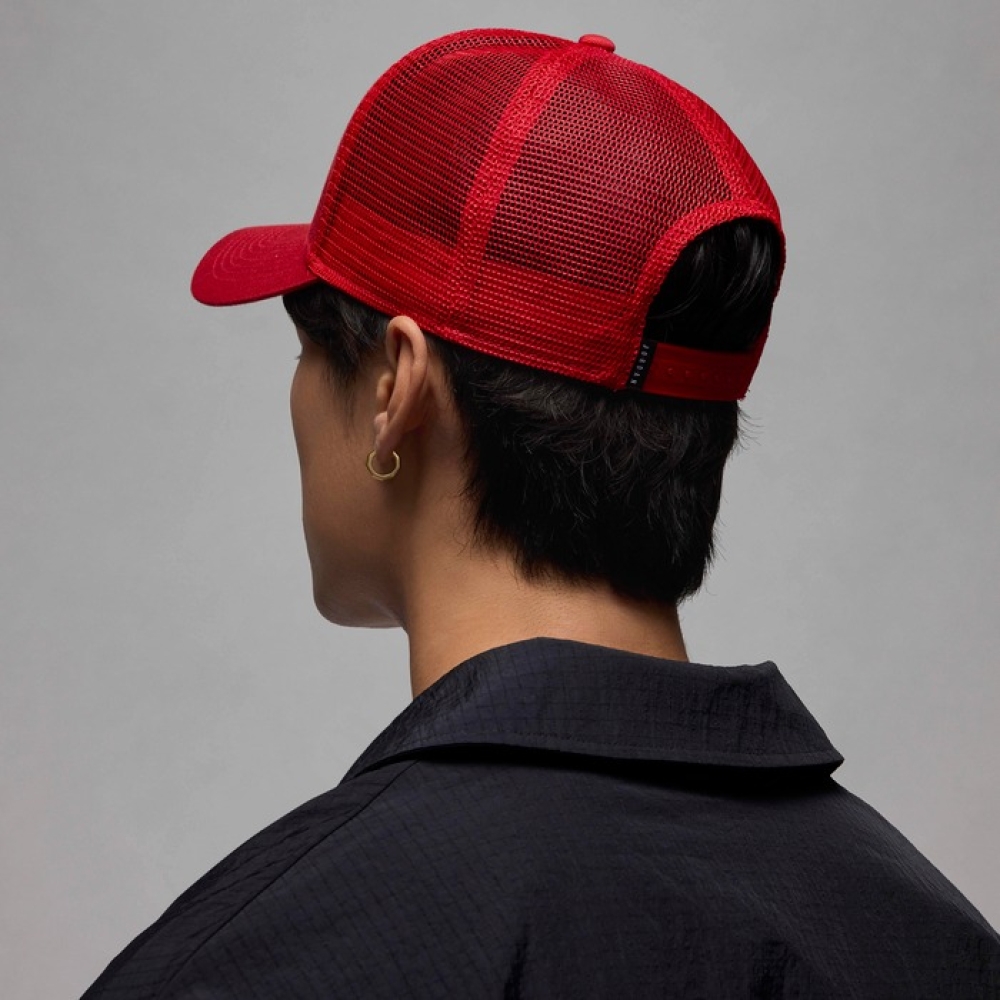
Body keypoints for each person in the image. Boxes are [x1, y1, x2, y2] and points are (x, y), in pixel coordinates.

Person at [82, 27, 1000, 998]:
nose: (300, 393)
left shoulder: (263, 960)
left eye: (308, 346)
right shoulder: (938, 942)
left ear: (396, 385)